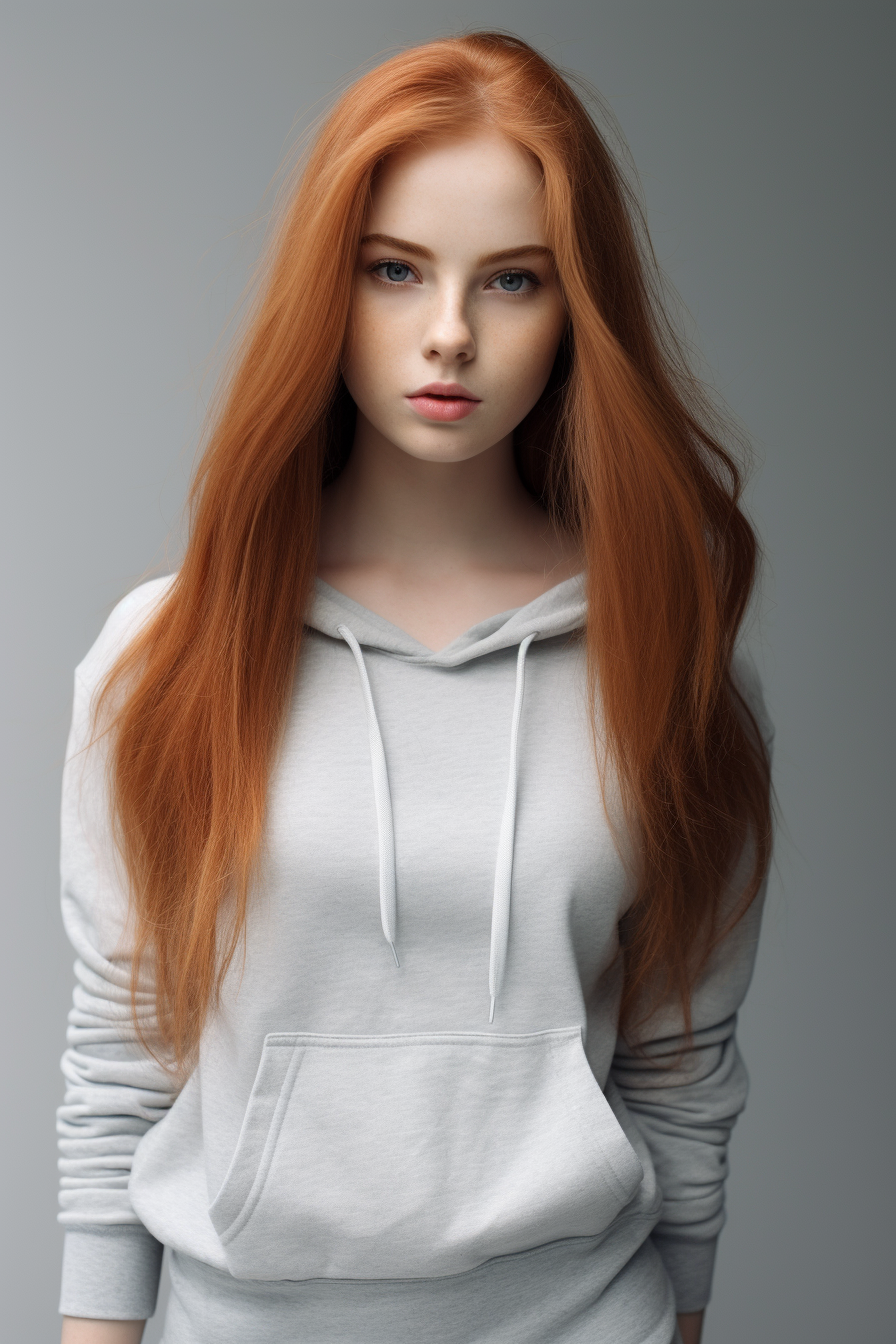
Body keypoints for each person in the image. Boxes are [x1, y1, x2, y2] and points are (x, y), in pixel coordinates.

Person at [56, 31, 773, 1344]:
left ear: (576, 312)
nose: (449, 335)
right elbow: (120, 1062)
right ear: (326, 288)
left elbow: (681, 1077)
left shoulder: (661, 664)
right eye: (394, 271)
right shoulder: (168, 659)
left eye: (511, 281)